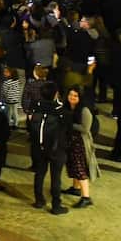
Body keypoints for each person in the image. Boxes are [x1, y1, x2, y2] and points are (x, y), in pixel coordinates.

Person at [28, 82, 70, 214]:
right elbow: (67, 131)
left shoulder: (36, 106)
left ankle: (39, 200)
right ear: (56, 94)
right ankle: (56, 205)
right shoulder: (61, 111)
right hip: (56, 149)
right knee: (55, 177)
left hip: (38, 147)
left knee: (39, 173)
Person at [62, 86, 98, 208]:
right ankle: (75, 188)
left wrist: (69, 125)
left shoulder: (84, 110)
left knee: (80, 168)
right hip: (71, 142)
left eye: (75, 96)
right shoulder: (67, 107)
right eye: (70, 95)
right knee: (73, 166)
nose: (72, 97)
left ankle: (86, 197)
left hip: (81, 143)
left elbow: (85, 128)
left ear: (80, 97)